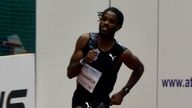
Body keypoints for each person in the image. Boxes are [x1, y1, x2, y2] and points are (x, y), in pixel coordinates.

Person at [67, 7, 144, 108]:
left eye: (111, 21)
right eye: (104, 19)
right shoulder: (85, 40)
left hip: (100, 102)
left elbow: (139, 68)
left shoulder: (121, 52)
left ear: (118, 27)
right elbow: (70, 73)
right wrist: (84, 61)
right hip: (79, 97)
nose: (106, 23)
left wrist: (123, 92)